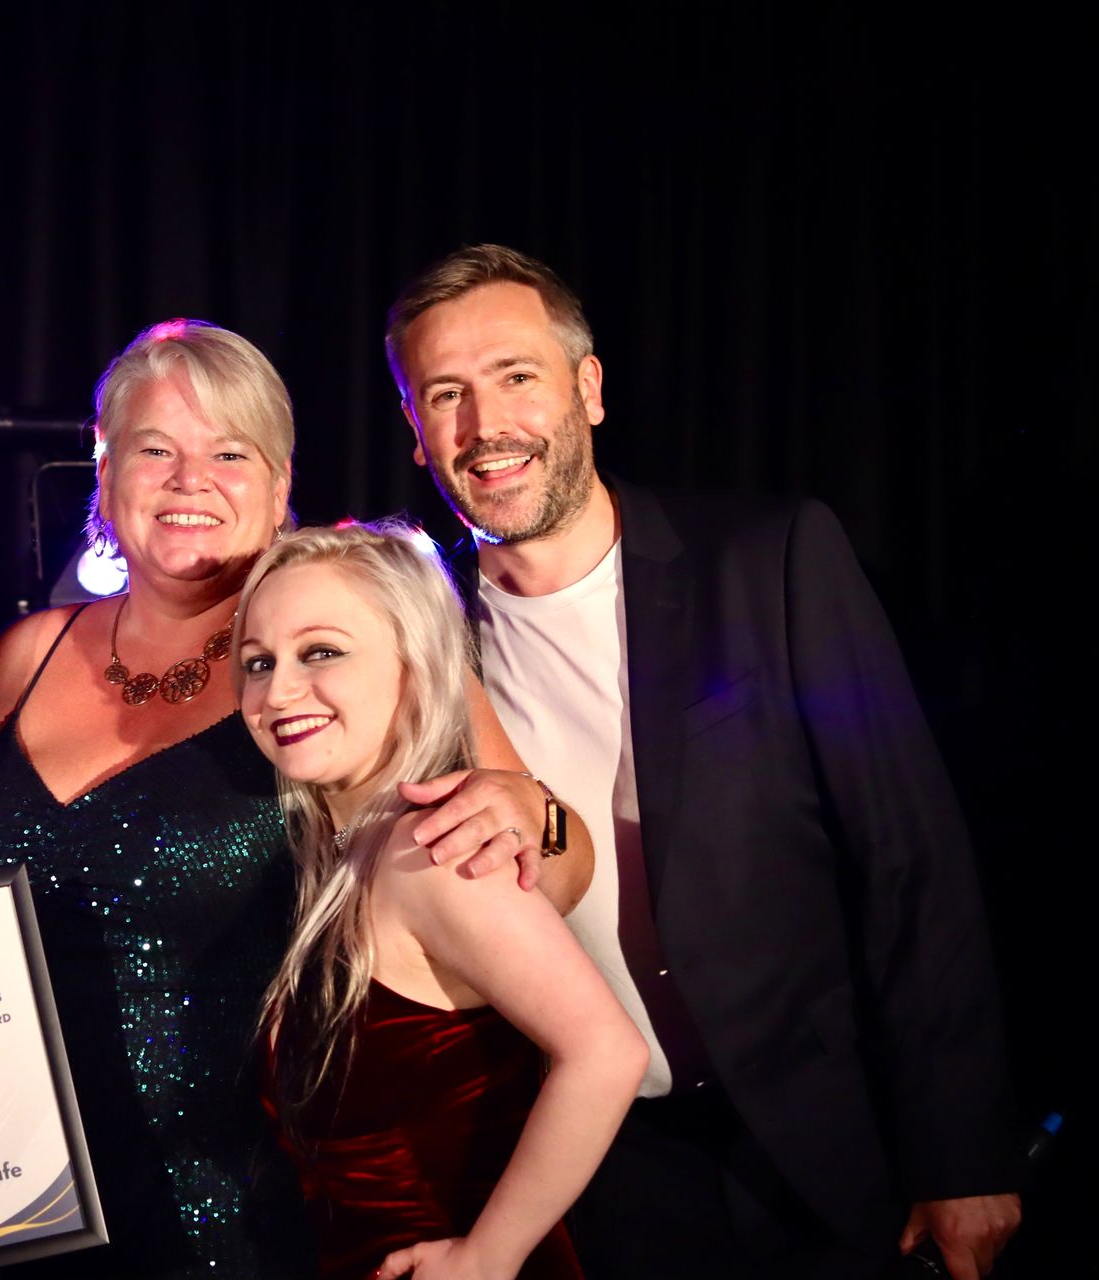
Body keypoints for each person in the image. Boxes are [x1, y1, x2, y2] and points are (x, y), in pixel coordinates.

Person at [385, 244, 1024, 1279]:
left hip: (825, 1148)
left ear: (588, 389)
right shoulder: (419, 636)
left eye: (516, 375)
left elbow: (909, 857)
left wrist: (962, 1148)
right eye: (445, 393)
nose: (484, 425)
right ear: (416, 431)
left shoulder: (770, 558)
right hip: (600, 1172)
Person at [0, 320, 588, 1278]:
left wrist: (526, 812)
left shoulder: (345, 657)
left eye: (229, 453)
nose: (189, 480)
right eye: (154, 451)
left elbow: (555, 873)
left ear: (281, 482)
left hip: (236, 1210)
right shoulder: (23, 655)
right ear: (105, 471)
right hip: (7, 1190)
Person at [233, 520, 647, 1280]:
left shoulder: (430, 853)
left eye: (321, 652)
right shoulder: (350, 854)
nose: (277, 690)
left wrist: (489, 1255)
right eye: (259, 662)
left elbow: (607, 1052)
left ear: (416, 665)